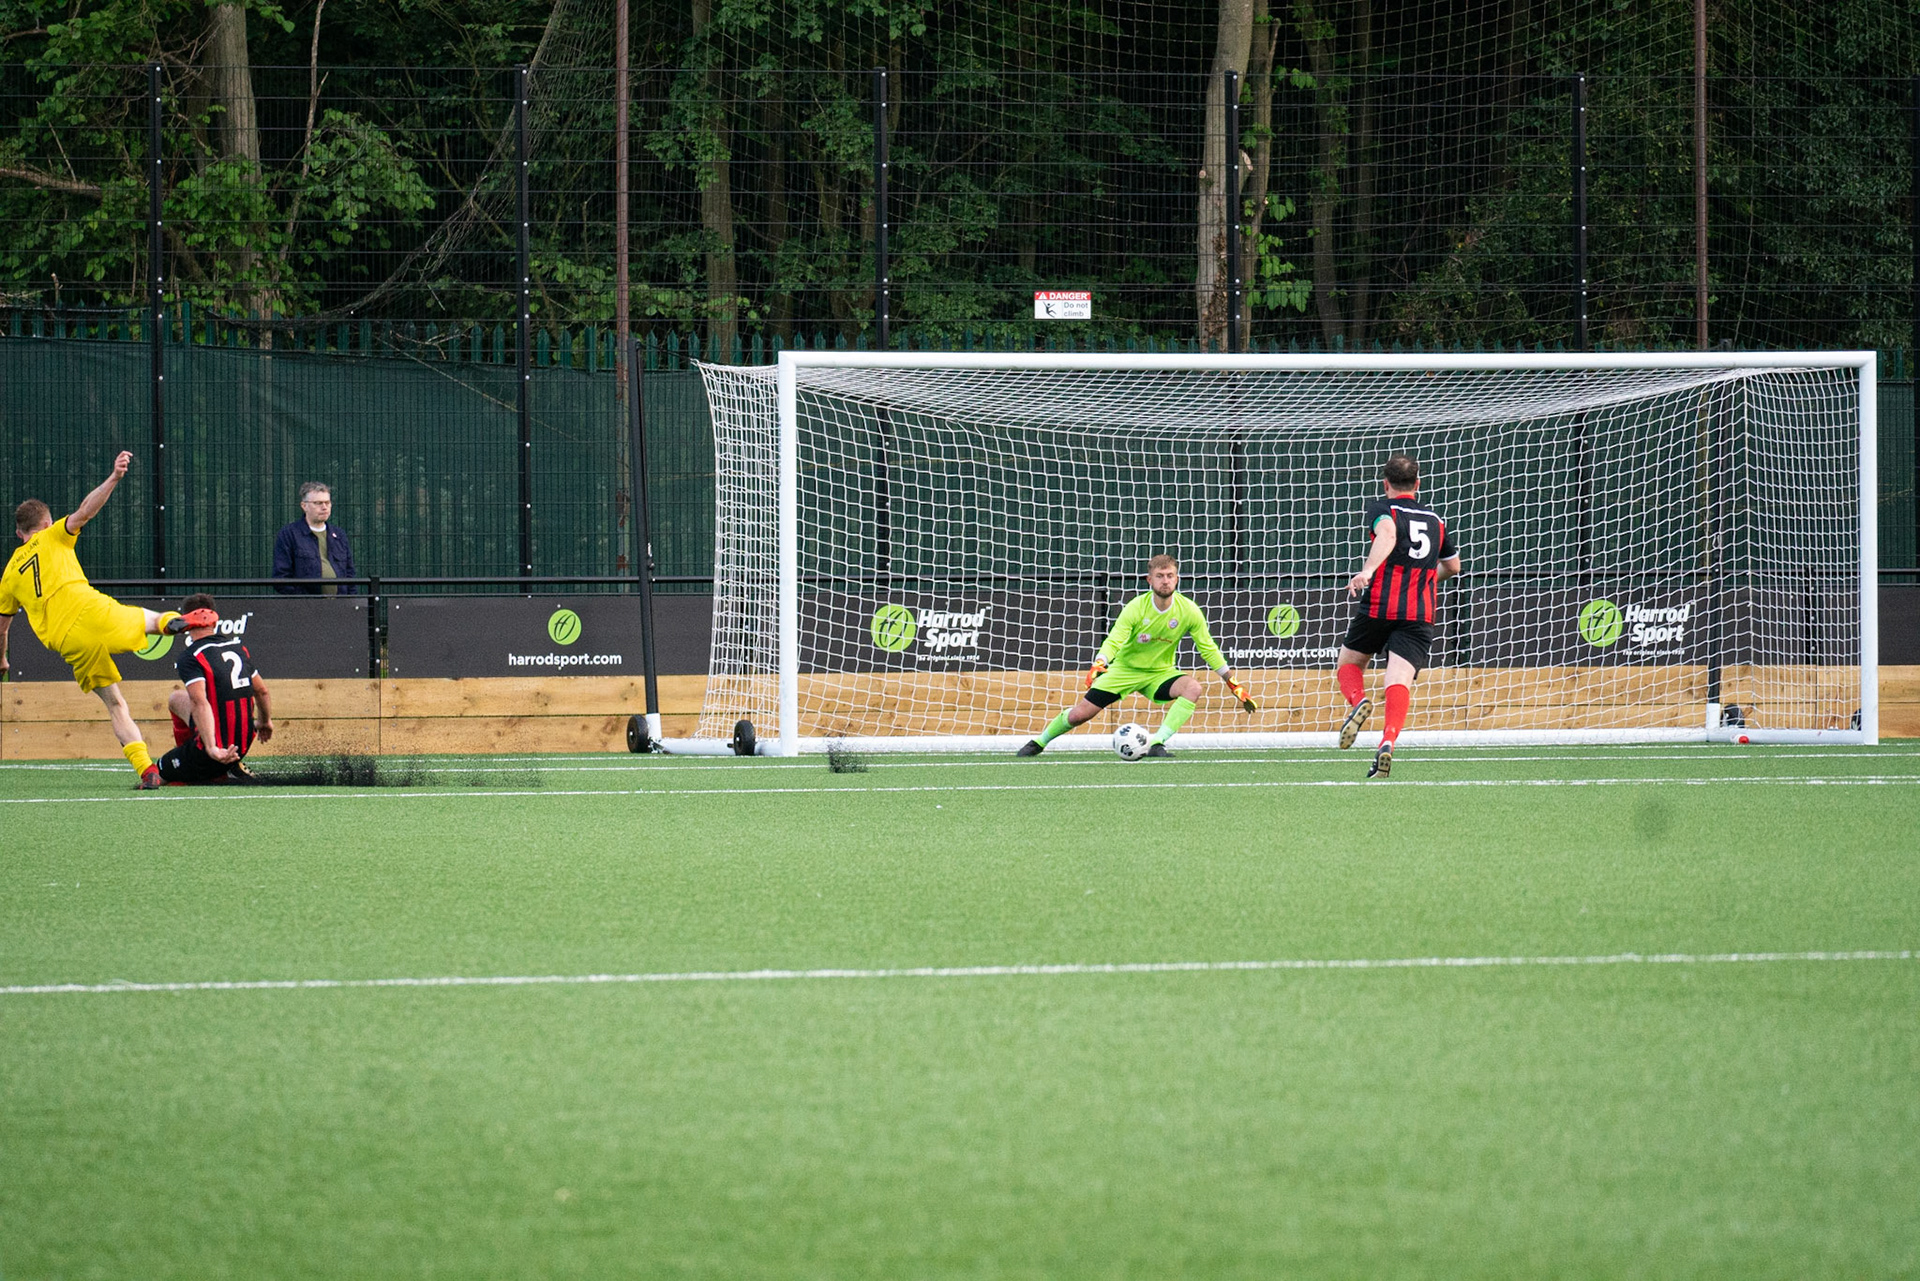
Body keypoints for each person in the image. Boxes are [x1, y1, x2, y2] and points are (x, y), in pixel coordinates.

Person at [0, 452, 213, 789]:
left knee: (115, 704)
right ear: (46, 523)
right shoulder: (53, 535)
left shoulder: (9, 575)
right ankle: (174, 621)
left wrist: (2, 659)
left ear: (18, 533)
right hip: (89, 611)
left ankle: (146, 769)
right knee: (152, 621)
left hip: (68, 642)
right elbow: (86, 511)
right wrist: (114, 477)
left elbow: (3, 628)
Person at [1018, 553, 1257, 758]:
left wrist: (1232, 683)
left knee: (1192, 688)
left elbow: (1208, 648)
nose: (1166, 581)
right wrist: (1100, 662)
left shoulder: (1189, 610)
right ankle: (1038, 742)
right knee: (1080, 714)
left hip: (1160, 674)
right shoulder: (1135, 607)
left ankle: (1156, 743)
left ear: (1177, 578)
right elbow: (1115, 639)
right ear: (1149, 579)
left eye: (1170, 575)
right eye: (1160, 576)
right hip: (1125, 670)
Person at [1335, 453, 1461, 779]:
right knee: (1398, 681)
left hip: (1381, 604)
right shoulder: (1435, 520)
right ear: (1417, 484)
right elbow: (1453, 566)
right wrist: (1426, 580)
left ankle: (1358, 701)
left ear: (1385, 483)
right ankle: (1388, 741)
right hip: (1419, 612)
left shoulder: (1383, 508)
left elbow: (1388, 534)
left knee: (1349, 664)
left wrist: (1367, 571)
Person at [157, 593, 274, 785]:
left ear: (186, 621)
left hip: (215, 753)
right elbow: (262, 691)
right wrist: (265, 721)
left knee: (157, 772)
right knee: (176, 698)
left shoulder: (191, 656)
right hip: (241, 747)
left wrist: (211, 748)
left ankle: (191, 771)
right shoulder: (238, 648)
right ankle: (226, 767)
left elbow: (199, 702)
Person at [272, 481, 359, 595]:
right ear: (304, 506)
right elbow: (281, 577)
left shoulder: (339, 535)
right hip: (306, 604)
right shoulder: (289, 534)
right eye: (318, 503)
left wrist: (350, 600)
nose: (324, 507)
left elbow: (350, 574)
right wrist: (303, 600)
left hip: (340, 603)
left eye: (327, 503)